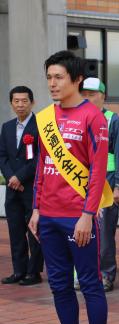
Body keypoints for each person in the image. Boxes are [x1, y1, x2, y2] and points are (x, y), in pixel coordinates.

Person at [29, 50, 109, 324]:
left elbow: (98, 172)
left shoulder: (93, 117)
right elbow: (41, 165)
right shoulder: (45, 118)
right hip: (48, 217)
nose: (52, 83)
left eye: (58, 77)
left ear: (76, 79)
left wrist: (88, 215)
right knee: (59, 286)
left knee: (90, 285)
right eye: (49, 77)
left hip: (78, 218)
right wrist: (36, 209)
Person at [81, 77, 119, 292]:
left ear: (103, 96)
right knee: (81, 229)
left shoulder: (112, 120)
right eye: (85, 94)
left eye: (92, 94)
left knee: (104, 231)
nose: (88, 98)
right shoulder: (78, 118)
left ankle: (106, 274)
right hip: (82, 179)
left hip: (107, 180)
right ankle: (83, 273)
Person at [0, 86, 43, 286]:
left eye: (24, 101)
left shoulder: (40, 125)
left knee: (34, 231)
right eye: (16, 101)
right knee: (15, 230)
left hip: (31, 187)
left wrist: (20, 177)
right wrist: (11, 178)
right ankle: (19, 270)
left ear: (32, 102)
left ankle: (33, 272)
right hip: (12, 188)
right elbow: (2, 156)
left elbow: (40, 158)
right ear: (11, 103)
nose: (20, 104)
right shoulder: (7, 127)